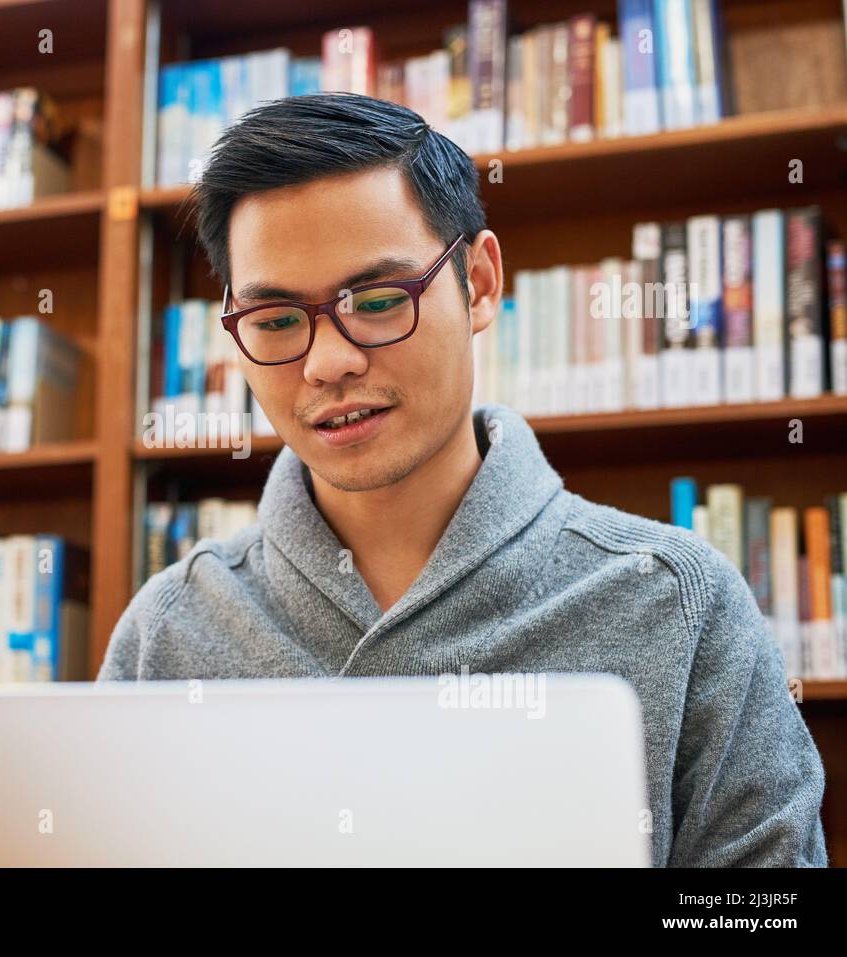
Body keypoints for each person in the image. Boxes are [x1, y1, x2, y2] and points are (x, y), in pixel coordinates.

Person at [98, 93, 827, 867]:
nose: (327, 362)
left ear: (478, 283)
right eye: (276, 321)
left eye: (377, 302)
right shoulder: (170, 631)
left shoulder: (679, 602)